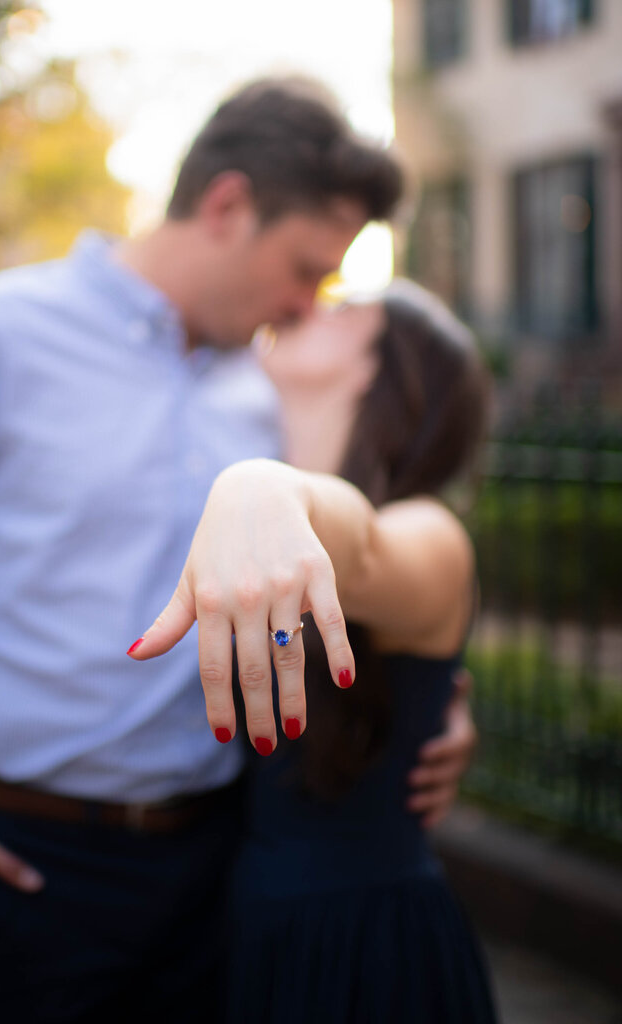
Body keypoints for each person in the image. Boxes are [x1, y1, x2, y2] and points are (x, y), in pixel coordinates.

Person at [0, 77, 473, 1022]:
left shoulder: (274, 386)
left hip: (222, 861)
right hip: (28, 868)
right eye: (303, 267)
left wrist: (435, 706)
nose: (305, 305)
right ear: (226, 206)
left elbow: (372, 543)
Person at [134, 279, 498, 1022]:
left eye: (345, 307)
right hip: (238, 927)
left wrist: (265, 489)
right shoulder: (226, 464)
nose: (308, 302)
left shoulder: (432, 533)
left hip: (367, 951)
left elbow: (360, 553)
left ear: (379, 370)